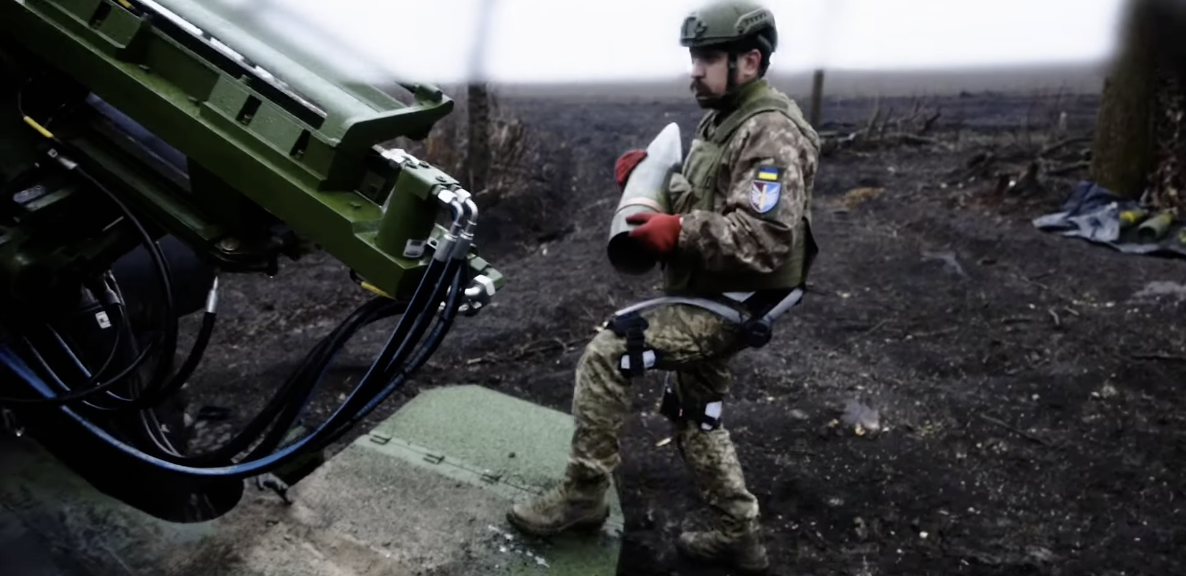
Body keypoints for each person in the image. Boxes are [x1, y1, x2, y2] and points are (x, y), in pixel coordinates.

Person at [505, 0, 820, 572]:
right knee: (694, 414)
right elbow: (709, 198)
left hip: (731, 302)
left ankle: (583, 497)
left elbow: (764, 239)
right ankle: (739, 535)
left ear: (749, 61)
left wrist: (678, 230)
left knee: (609, 353)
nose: (694, 70)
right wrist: (656, 181)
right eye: (693, 57)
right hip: (709, 290)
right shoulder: (725, 119)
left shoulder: (770, 132)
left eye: (707, 58)